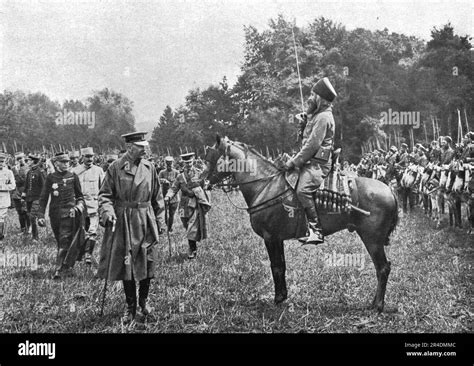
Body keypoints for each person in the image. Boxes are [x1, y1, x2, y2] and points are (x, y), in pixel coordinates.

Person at [98, 131, 166, 325]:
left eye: (145, 146)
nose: (145, 149)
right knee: (127, 263)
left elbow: (157, 197)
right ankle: (130, 306)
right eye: (140, 146)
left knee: (147, 261)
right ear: (129, 148)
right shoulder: (116, 167)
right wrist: (108, 212)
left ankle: (144, 302)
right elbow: (105, 195)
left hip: (145, 219)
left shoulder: (150, 167)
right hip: (124, 220)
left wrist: (160, 221)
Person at [283, 77, 337, 245]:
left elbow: (312, 145)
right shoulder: (317, 116)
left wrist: (293, 162)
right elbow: (305, 140)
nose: (310, 98)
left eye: (314, 95)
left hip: (318, 164)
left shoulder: (323, 118)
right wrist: (304, 123)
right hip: (311, 161)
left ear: (321, 99)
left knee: (302, 190)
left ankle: (316, 230)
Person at [38, 152, 85, 280]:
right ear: (56, 163)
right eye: (63, 162)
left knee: (65, 239)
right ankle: (67, 265)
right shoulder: (51, 177)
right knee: (60, 241)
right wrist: (41, 215)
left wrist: (78, 207)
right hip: (55, 215)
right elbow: (43, 198)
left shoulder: (73, 176)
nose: (66, 164)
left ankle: (59, 269)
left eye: (67, 162)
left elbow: (80, 196)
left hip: (69, 214)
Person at [165, 152, 211, 259]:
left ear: (193, 161)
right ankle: (193, 244)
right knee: (186, 225)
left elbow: (205, 186)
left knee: (192, 227)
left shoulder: (199, 174)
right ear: (183, 163)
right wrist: (168, 197)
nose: (188, 164)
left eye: (190, 162)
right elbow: (173, 188)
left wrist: (206, 187)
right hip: (183, 205)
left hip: (194, 204)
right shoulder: (180, 176)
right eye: (186, 163)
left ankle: (192, 250)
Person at [72, 147, 105, 265]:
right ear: (82, 157)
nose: (90, 159)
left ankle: (88, 255)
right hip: (80, 207)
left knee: (92, 231)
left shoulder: (99, 171)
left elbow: (103, 190)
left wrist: (102, 207)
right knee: (81, 231)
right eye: (87, 156)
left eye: (91, 156)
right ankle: (81, 253)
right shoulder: (75, 171)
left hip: (93, 206)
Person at [24, 153, 46, 242]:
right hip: (29, 198)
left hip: (37, 198)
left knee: (33, 216)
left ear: (33, 161)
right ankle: (35, 229)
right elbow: (26, 184)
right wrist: (24, 193)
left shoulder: (40, 172)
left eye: (28, 160)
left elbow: (44, 186)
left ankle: (35, 237)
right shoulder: (30, 171)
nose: (27, 162)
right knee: (30, 216)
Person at [158, 156, 180, 232]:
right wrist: (163, 180)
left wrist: (171, 183)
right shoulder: (162, 172)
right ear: (165, 164)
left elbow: (178, 183)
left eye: (170, 164)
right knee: (164, 213)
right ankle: (167, 225)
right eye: (167, 164)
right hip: (164, 196)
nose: (169, 166)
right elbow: (158, 180)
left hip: (174, 197)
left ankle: (170, 228)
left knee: (171, 214)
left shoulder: (177, 172)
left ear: (173, 164)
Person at [12, 152, 30, 234]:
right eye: (17, 159)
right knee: (20, 212)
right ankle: (23, 229)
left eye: (21, 158)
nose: (19, 160)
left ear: (24, 158)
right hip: (16, 192)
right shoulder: (13, 168)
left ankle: (29, 228)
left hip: (25, 192)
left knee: (26, 211)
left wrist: (15, 172)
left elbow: (23, 181)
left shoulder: (27, 168)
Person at [0, 152, 16, 241]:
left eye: (2, 162)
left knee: (1, 217)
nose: (0, 164)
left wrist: (2, 187)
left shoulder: (9, 172)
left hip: (3, 198)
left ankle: (1, 235)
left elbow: (12, 185)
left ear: (5, 162)